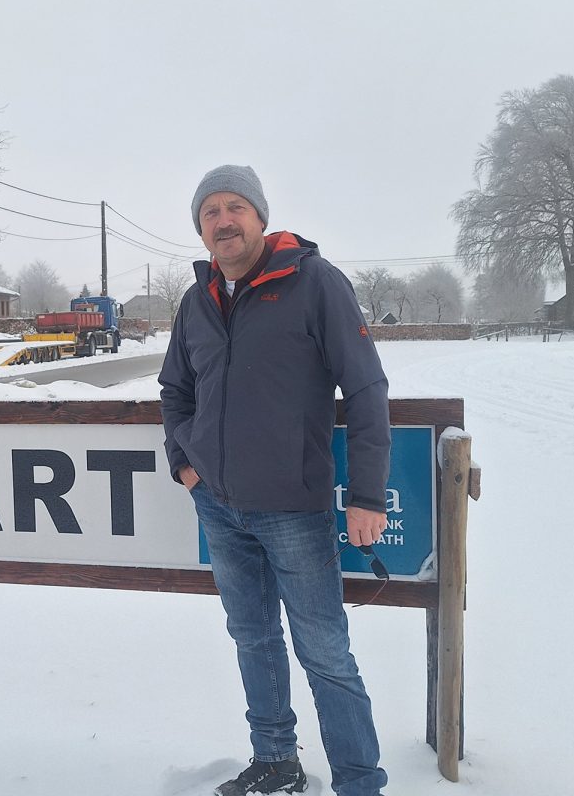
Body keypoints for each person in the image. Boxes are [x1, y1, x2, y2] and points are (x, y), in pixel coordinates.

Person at [158, 165, 391, 796]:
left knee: (323, 651)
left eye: (236, 207)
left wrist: (368, 495)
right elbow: (175, 391)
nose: (223, 220)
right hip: (220, 505)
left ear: (260, 217)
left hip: (293, 506)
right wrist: (185, 461)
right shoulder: (196, 300)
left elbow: (366, 389)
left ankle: (359, 783)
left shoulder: (315, 283)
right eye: (210, 211)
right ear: (200, 227)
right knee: (252, 636)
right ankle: (275, 762)